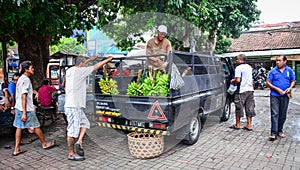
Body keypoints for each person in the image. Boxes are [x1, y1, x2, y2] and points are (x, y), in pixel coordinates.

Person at [64, 55, 113, 161]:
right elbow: (97, 66)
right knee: (72, 131)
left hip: (74, 105)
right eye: (84, 63)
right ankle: (71, 153)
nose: (85, 65)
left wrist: (89, 59)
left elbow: (83, 63)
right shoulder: (81, 71)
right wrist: (108, 60)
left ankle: (80, 141)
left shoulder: (70, 70)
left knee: (85, 123)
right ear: (81, 64)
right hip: (73, 106)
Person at [12, 61, 56, 156]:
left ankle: (16, 149)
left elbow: (25, 91)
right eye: (31, 68)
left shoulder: (20, 79)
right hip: (26, 109)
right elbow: (24, 95)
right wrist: (24, 112)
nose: (33, 69)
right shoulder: (26, 80)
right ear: (26, 69)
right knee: (36, 126)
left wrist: (35, 92)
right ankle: (44, 143)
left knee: (19, 127)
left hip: (18, 107)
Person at [266, 55, 295, 141]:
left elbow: (293, 81)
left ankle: (280, 130)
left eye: (279, 60)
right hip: (275, 95)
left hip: (285, 96)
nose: (278, 62)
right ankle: (273, 133)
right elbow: (268, 83)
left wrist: (290, 88)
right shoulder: (273, 71)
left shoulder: (289, 70)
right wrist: (277, 89)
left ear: (285, 61)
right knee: (275, 113)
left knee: (283, 114)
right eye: (277, 61)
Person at [229, 54, 256, 130]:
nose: (237, 60)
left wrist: (232, 81)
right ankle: (249, 125)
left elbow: (238, 80)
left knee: (239, 107)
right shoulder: (249, 67)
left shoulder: (238, 68)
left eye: (237, 59)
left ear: (240, 59)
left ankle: (237, 124)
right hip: (250, 90)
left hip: (241, 90)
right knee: (249, 107)